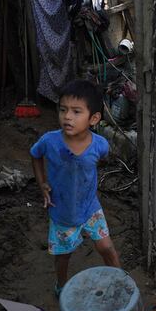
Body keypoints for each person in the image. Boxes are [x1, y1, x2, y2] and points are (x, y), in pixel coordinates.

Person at [30, 80, 121, 297]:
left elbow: (100, 162)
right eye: (63, 110)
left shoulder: (100, 145)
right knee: (63, 256)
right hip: (62, 212)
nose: (67, 117)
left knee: (107, 248)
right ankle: (61, 287)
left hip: (90, 208)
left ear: (94, 118)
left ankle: (120, 280)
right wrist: (42, 183)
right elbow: (35, 155)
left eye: (76, 111)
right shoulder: (49, 142)